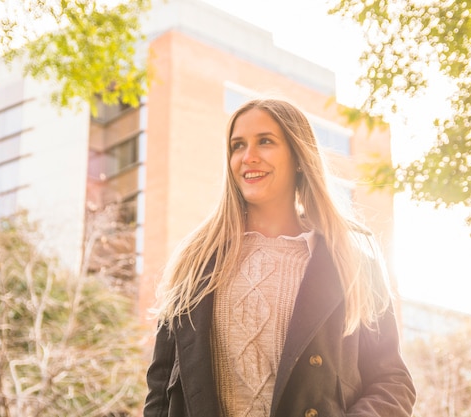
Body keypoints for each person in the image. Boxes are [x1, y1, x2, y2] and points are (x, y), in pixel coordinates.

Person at [143, 98, 416, 417]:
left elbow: (392, 381)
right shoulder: (195, 262)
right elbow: (160, 392)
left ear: (299, 157)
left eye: (266, 142)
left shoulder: (352, 261)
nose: (248, 157)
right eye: (237, 146)